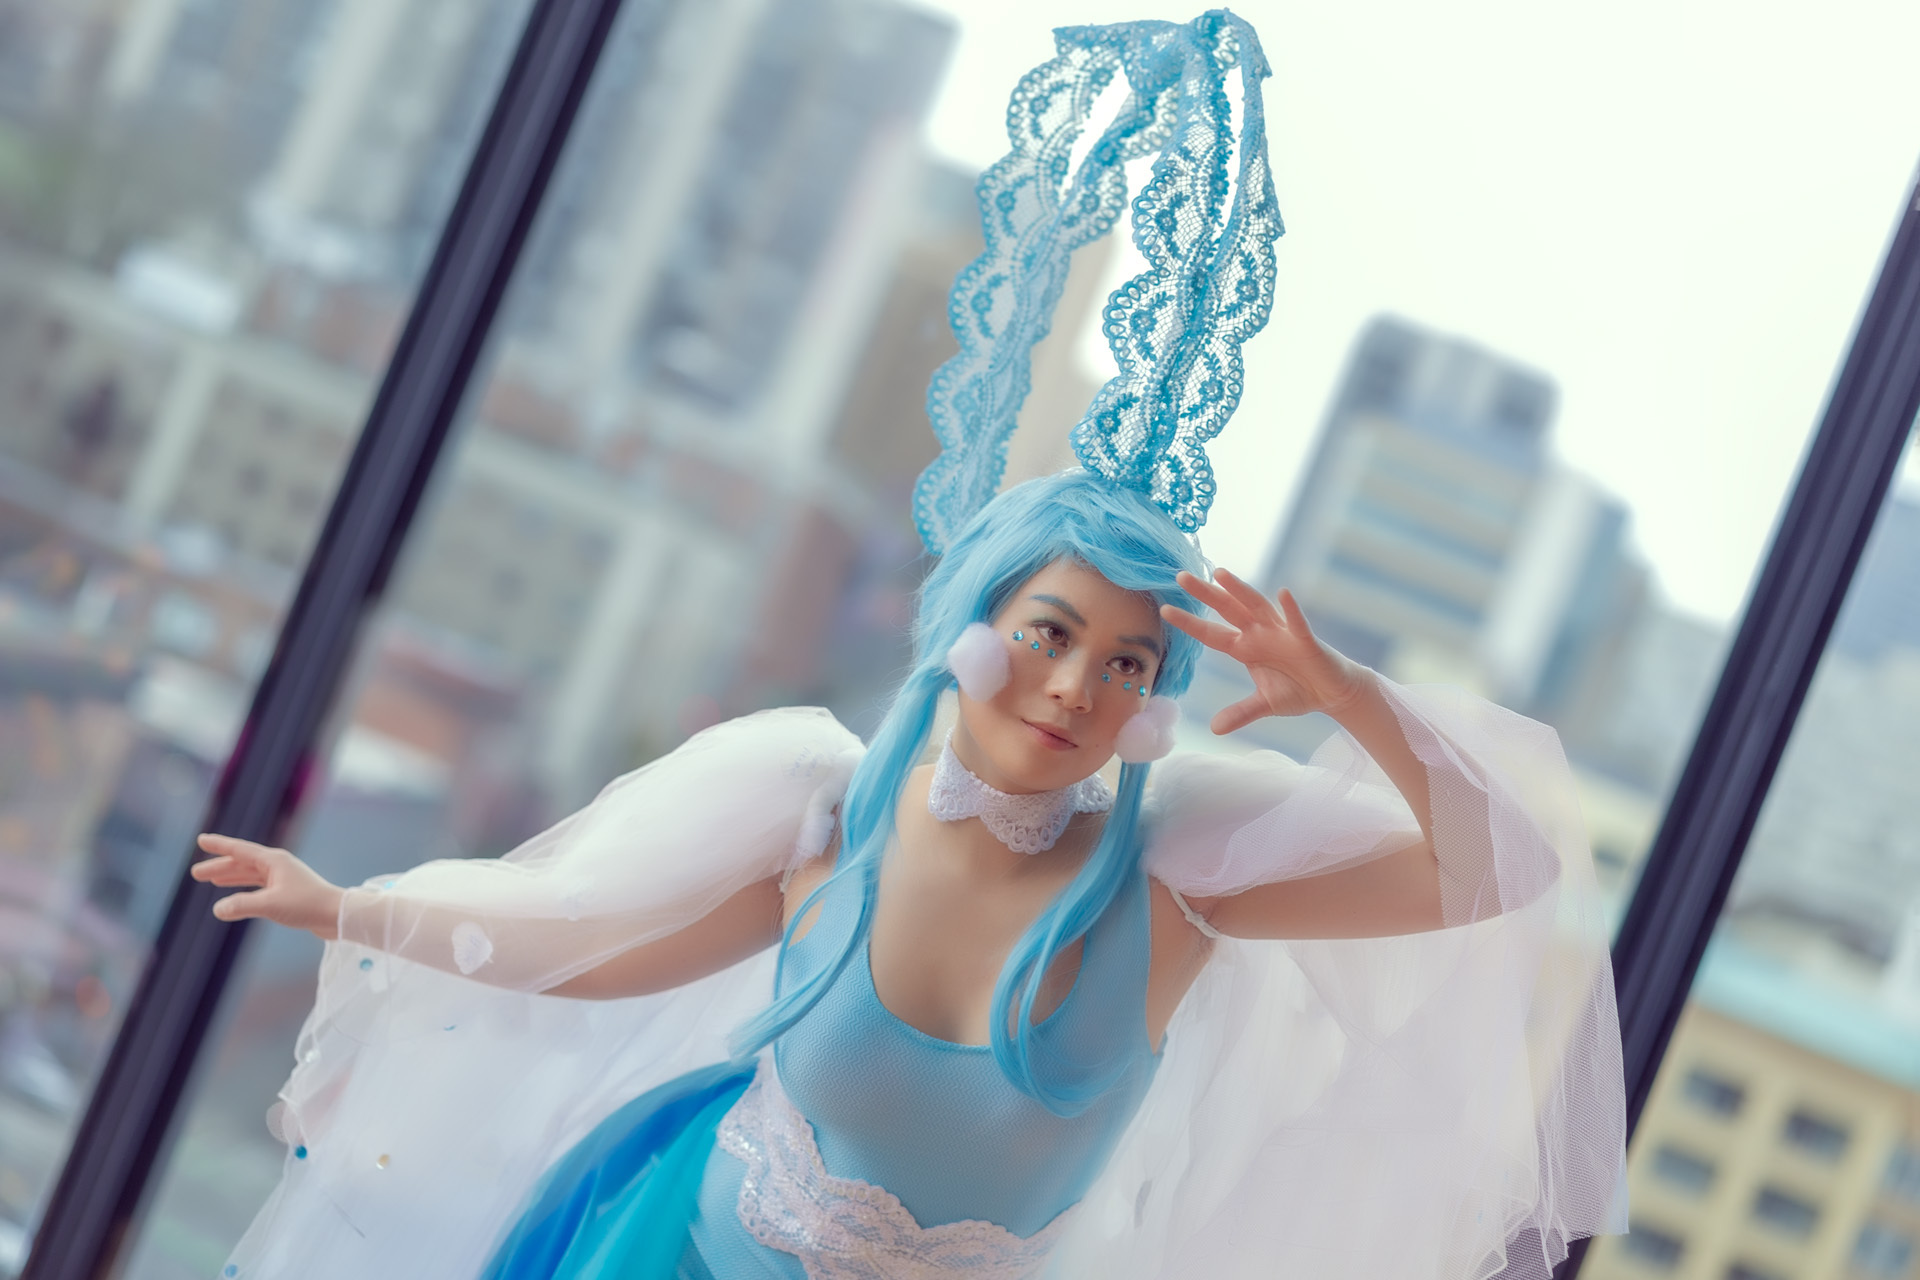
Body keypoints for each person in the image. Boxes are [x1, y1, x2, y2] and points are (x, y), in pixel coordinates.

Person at [192, 13, 1626, 1278]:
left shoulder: (1178, 867)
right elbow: (585, 945)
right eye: (1049, 633)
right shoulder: (826, 818)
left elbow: (1504, 870)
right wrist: (349, 907)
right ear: (967, 628)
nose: (1075, 685)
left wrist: (1348, 698)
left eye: (1128, 665)